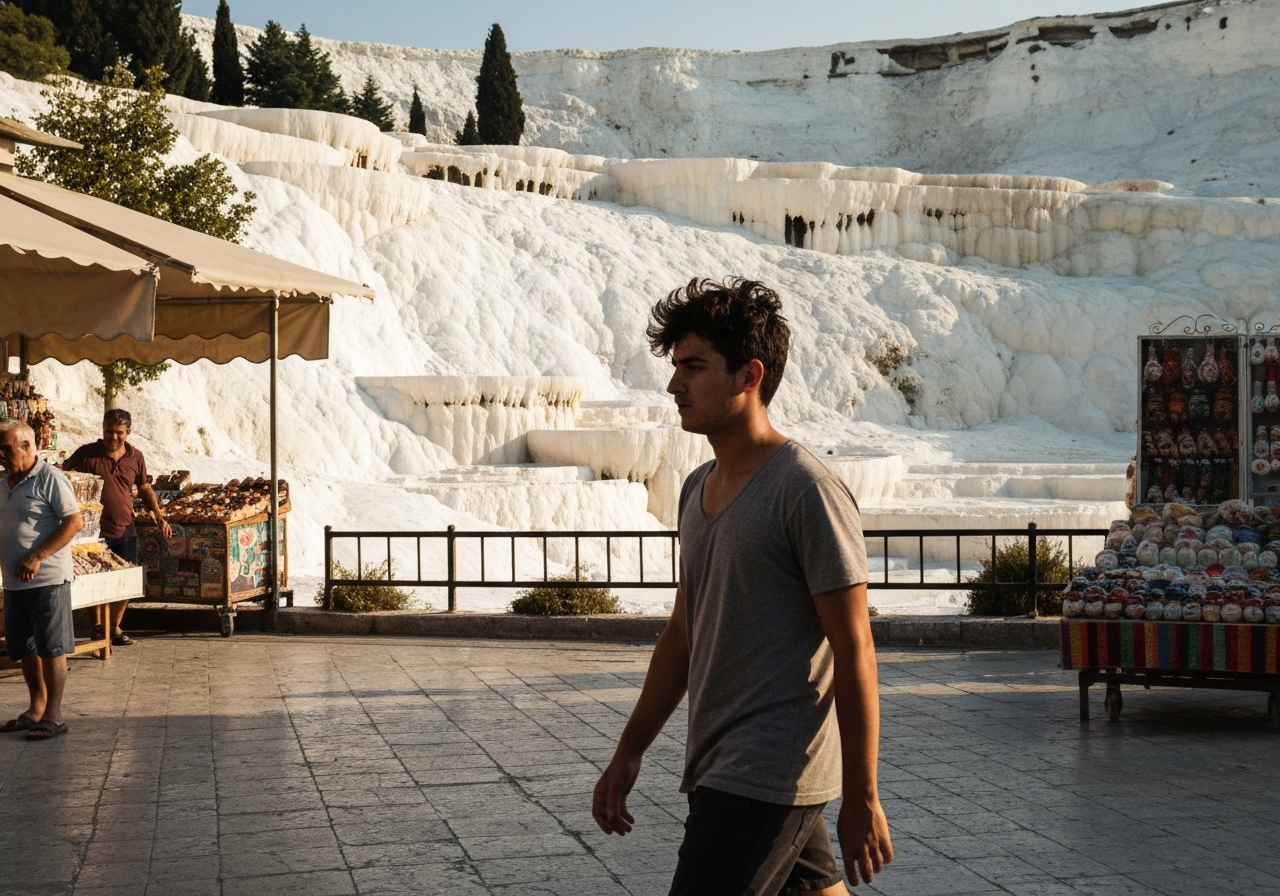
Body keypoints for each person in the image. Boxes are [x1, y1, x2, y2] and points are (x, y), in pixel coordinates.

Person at [592, 278, 893, 895]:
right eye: (676, 367)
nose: (675, 385)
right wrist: (628, 751)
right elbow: (682, 633)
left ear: (748, 375)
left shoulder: (804, 489)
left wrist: (863, 795)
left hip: (766, 771)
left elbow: (854, 646)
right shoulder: (695, 486)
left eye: (694, 367)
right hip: (720, 761)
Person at [0, 419, 83, 740]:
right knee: (26, 648)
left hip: (47, 580)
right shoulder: (4, 482)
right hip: (14, 582)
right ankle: (36, 708)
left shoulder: (50, 479)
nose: (3, 454)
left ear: (27, 446)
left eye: (8, 448)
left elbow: (73, 522)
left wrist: (36, 556)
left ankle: (54, 715)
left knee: (52, 647)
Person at [63, 408, 170, 646]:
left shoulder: (136, 457)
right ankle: (98, 627)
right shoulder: (86, 453)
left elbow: (144, 488)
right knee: (93, 580)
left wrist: (159, 516)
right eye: (109, 431)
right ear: (102, 428)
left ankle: (114, 627)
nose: (113, 437)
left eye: (119, 433)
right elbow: (63, 478)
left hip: (125, 530)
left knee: (126, 581)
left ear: (128, 432)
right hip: (90, 534)